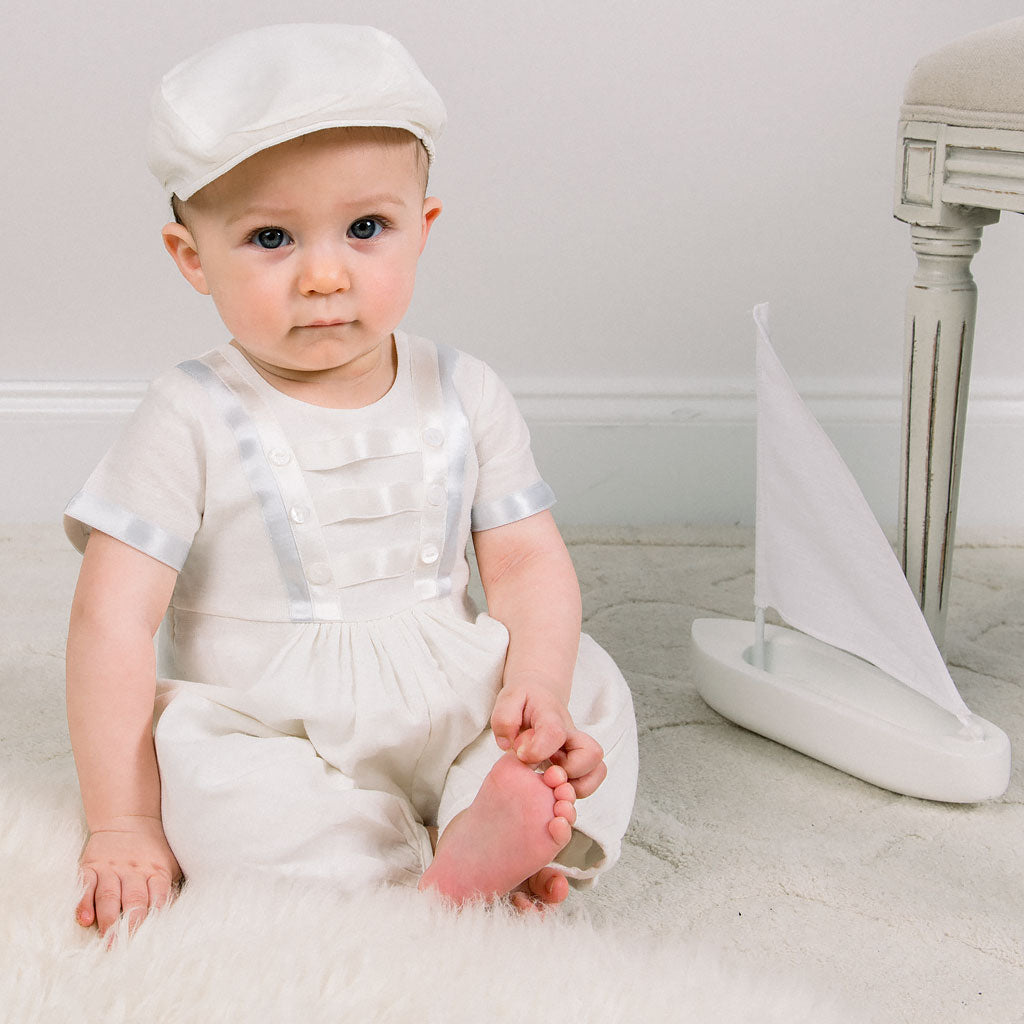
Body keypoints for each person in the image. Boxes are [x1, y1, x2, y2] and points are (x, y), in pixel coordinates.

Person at [64, 23, 638, 937]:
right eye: (270, 237)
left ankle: (486, 812)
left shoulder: (464, 389)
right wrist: (124, 823)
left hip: (456, 695)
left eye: (366, 228)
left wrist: (535, 687)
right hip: (275, 724)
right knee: (213, 784)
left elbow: (527, 568)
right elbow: (111, 623)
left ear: (424, 229)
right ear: (191, 258)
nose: (326, 275)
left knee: (592, 685)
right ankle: (431, 876)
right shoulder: (188, 415)